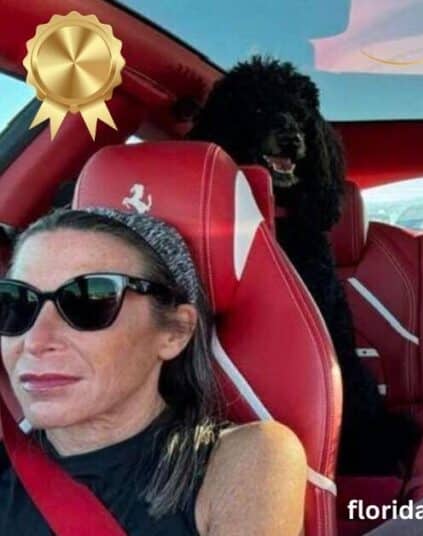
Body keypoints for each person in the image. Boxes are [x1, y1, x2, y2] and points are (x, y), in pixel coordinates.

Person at [0, 208, 308, 535]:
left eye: (90, 301)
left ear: (175, 331)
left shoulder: (243, 460)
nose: (35, 340)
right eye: (16, 302)